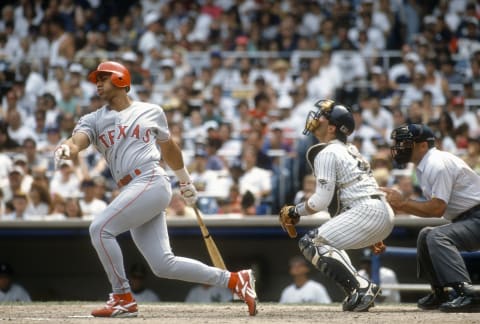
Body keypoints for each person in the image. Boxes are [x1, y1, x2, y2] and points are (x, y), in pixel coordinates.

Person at [53, 61, 257, 318]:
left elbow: (169, 148)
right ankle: (235, 280)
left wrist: (185, 180)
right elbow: (76, 141)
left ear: (120, 80)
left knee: (100, 229)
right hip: (132, 189)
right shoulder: (93, 119)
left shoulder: (150, 111)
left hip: (150, 179)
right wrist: (66, 149)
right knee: (163, 264)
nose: (98, 83)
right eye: (97, 79)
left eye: (103, 78)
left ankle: (122, 297)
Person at [278, 99, 394, 312]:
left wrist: (295, 211)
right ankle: (359, 290)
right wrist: (373, 233)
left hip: (367, 210)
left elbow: (321, 201)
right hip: (377, 210)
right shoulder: (349, 149)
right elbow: (340, 202)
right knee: (328, 243)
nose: (316, 118)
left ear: (331, 127)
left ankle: (361, 287)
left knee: (311, 242)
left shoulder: (328, 152)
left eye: (322, 116)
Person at [381, 123, 480, 313]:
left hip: (476, 217)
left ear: (423, 145)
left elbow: (436, 209)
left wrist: (402, 203)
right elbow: (430, 208)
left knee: (437, 236)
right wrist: (398, 205)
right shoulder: (425, 165)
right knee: (426, 235)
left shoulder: (437, 163)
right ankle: (440, 292)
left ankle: (466, 293)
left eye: (405, 143)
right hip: (468, 219)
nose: (400, 147)